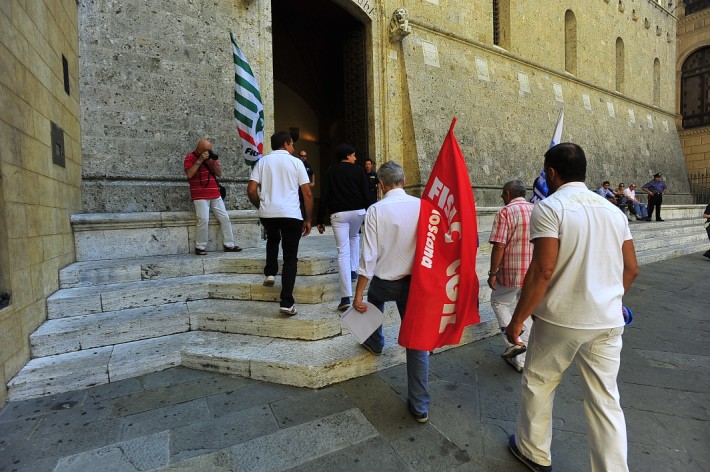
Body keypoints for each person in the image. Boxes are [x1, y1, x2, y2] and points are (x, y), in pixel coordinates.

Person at [505, 143, 639, 472]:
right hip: (607, 320)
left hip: (560, 319)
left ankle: (534, 452)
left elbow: (542, 271)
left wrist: (517, 319)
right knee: (606, 400)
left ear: (551, 173)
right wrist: (610, 299)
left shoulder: (550, 208)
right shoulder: (614, 211)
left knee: (538, 381)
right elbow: (632, 268)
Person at [353, 161, 430, 424]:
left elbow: (369, 256)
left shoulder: (375, 210)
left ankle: (375, 341)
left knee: (373, 298)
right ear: (404, 180)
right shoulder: (422, 206)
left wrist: (357, 293)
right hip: (415, 284)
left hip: (384, 282)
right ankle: (420, 405)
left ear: (381, 185)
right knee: (416, 342)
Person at [247, 132, 313, 315]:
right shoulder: (296, 162)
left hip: (268, 214)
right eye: (292, 144)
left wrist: (261, 205)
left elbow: (251, 189)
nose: (293, 148)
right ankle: (286, 301)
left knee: (273, 238)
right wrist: (308, 218)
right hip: (291, 214)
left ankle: (270, 272)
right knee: (290, 257)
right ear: (286, 144)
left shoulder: (262, 162)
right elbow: (307, 193)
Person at [316, 144, 371, 311]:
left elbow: (325, 194)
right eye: (353, 155)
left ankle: (345, 296)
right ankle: (354, 270)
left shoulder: (331, 171)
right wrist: (371, 212)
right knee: (354, 236)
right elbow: (366, 192)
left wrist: (319, 219)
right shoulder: (359, 170)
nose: (355, 158)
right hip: (358, 212)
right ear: (347, 156)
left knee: (342, 251)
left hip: (339, 215)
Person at [487, 180, 534, 373]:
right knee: (526, 311)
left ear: (507, 194)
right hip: (532, 271)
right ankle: (526, 355)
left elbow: (499, 245)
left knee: (499, 302)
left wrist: (493, 273)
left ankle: (516, 342)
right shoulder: (537, 209)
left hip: (511, 271)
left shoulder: (505, 212)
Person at [184, 138, 242, 255]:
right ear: (199, 149)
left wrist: (212, 164)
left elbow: (219, 174)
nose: (208, 152)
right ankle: (200, 247)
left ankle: (229, 245)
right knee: (203, 220)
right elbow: (190, 174)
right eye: (206, 150)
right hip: (200, 195)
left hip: (215, 193)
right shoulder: (190, 157)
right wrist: (200, 160)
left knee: (224, 217)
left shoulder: (211, 158)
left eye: (210, 150)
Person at [297, 150, 315, 221]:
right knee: (299, 205)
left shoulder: (308, 165)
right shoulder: (297, 164)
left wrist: (313, 182)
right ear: (299, 156)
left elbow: (312, 173)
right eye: (302, 156)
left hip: (306, 189)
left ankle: (307, 220)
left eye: (305, 156)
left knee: (307, 204)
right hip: (298, 189)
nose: (303, 157)